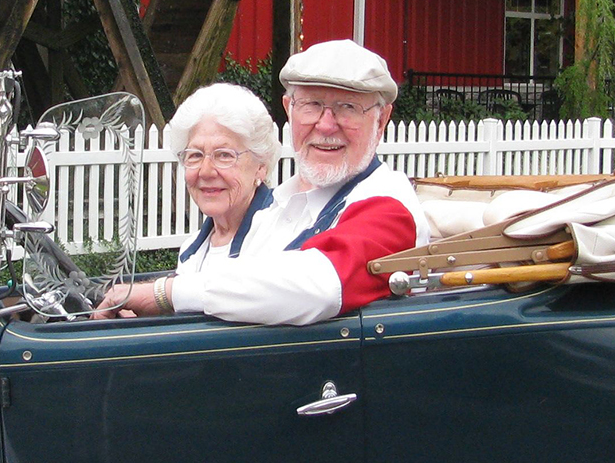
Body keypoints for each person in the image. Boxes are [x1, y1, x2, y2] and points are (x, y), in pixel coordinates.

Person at [95, 39, 430, 325]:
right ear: (289, 109)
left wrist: (165, 294)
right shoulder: (281, 206)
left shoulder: (388, 207)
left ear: (382, 118)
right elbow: (238, 289)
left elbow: (318, 286)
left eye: (348, 107)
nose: (326, 125)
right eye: (312, 105)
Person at [165, 83, 281, 269]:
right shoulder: (191, 251)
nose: (206, 171)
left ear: (261, 165)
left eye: (224, 155)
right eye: (195, 155)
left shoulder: (281, 240)